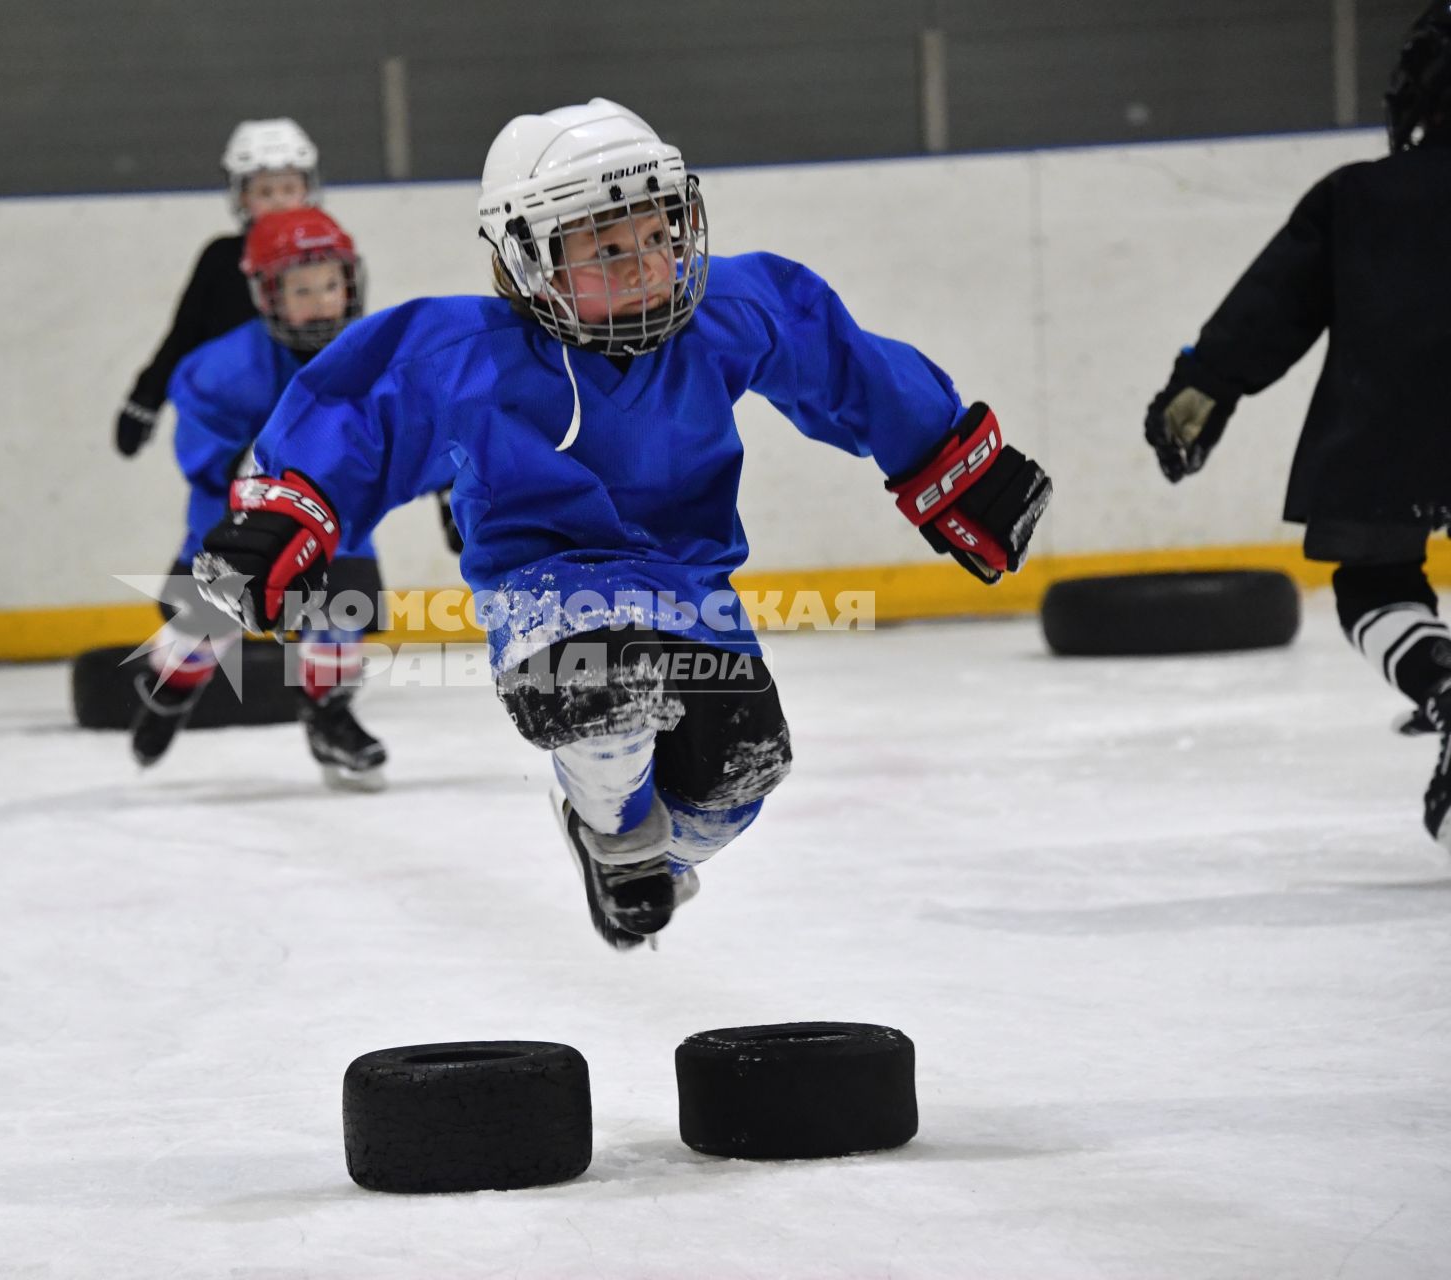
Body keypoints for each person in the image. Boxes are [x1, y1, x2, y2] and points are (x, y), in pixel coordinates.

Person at [193, 99, 1051, 947]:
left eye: (657, 234)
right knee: (597, 683)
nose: (645, 263)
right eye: (606, 247)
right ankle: (616, 835)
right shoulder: (471, 352)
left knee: (733, 783)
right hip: (548, 584)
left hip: (690, 583)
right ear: (529, 261)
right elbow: (359, 412)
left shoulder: (729, 310)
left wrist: (946, 459)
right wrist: (286, 515)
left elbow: (840, 360)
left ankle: (645, 853)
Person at [1144, 2, 1451, 846]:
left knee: (1376, 581)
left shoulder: (1359, 197)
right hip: (1387, 425)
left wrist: (1199, 393)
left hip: (1388, 432)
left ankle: (1443, 684)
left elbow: (1268, 310)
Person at [133, 207, 407, 790]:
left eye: (331, 284)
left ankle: (329, 715)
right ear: (266, 295)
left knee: (340, 614)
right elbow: (201, 456)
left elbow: (411, 428)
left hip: (337, 522)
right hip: (235, 521)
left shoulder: (372, 355)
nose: (322, 301)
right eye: (302, 289)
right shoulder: (223, 368)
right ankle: (170, 694)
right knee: (207, 632)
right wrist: (256, 470)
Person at [112, 118, 318, 458]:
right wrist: (145, 398)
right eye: (265, 192)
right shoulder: (222, 258)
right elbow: (184, 333)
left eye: (289, 189)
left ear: (307, 190)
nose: (279, 202)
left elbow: (347, 340)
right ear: (242, 197)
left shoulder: (325, 258)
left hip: (301, 422)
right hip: (228, 422)